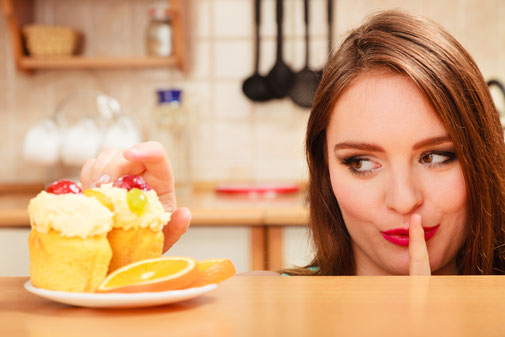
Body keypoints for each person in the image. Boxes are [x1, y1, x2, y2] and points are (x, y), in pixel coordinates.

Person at [80, 9, 505, 276]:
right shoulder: (271, 307)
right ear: (324, 173)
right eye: (361, 162)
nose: (403, 199)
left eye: (435, 157)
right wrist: (124, 278)